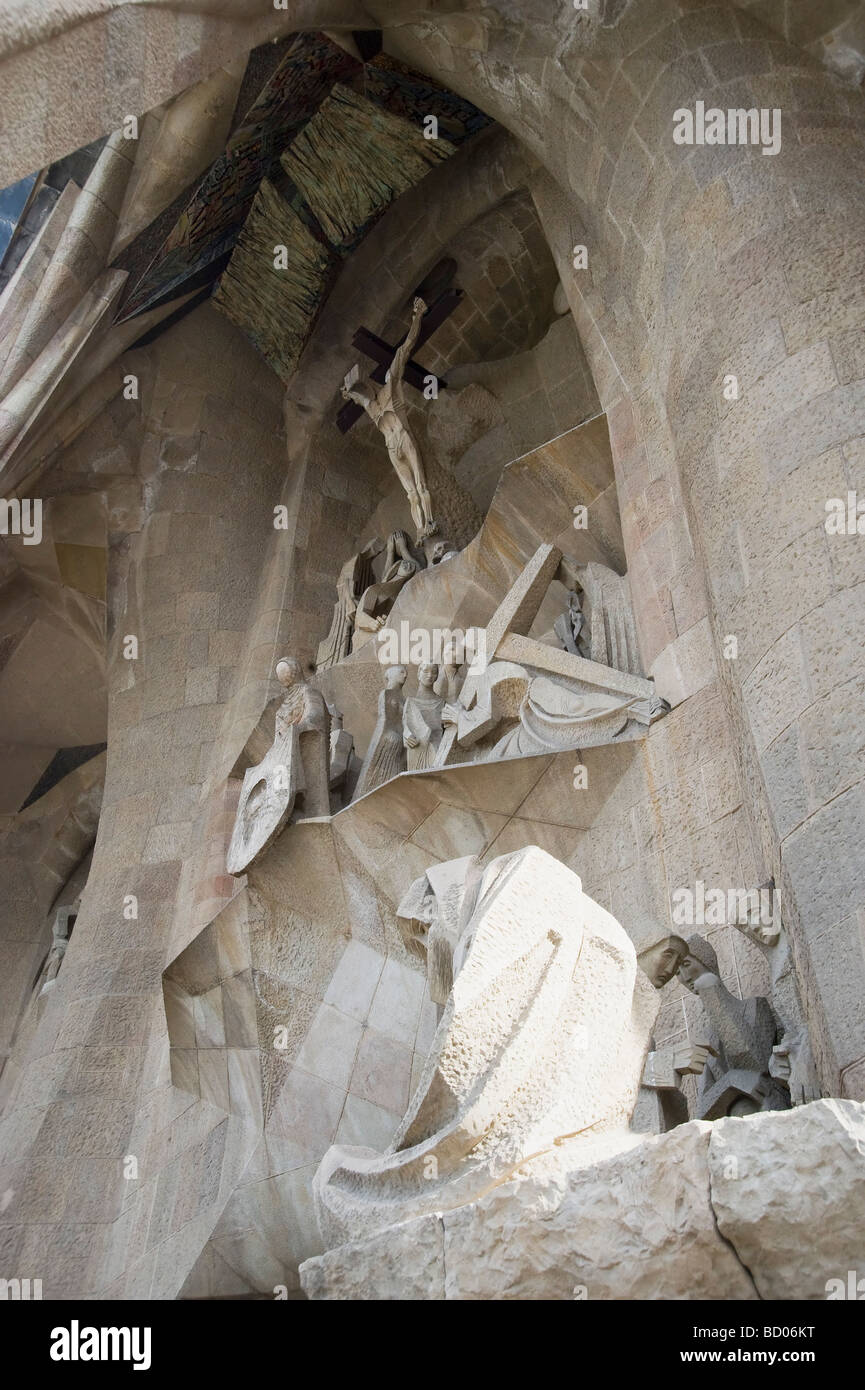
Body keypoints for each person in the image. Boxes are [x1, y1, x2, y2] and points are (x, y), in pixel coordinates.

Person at [341, 297, 437, 539]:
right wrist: (348, 393)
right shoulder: (371, 407)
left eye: (363, 389)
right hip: (392, 449)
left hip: (404, 438)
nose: (363, 393)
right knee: (411, 494)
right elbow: (358, 398)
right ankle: (421, 530)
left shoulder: (391, 385)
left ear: (370, 385)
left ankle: (431, 523)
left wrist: (417, 317)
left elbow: (405, 349)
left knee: (421, 486)